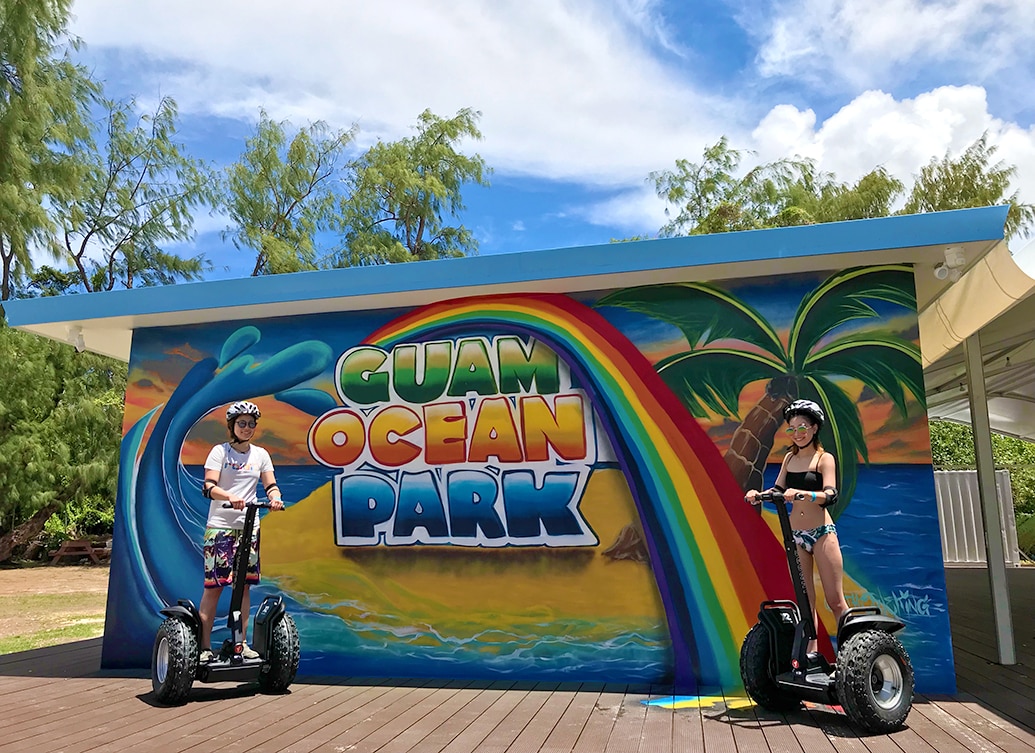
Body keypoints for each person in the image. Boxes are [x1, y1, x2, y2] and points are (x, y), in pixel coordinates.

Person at [744, 399, 849, 653]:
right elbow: (778, 490)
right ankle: (811, 655)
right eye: (792, 428)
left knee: (835, 600)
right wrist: (758, 495)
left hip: (822, 533)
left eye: (802, 427)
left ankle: (851, 652)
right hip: (796, 537)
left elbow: (831, 494)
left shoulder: (823, 459)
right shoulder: (789, 459)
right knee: (805, 602)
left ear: (814, 428)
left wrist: (804, 494)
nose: (797, 433)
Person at [198, 400, 284, 663]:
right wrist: (229, 496)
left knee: (243, 587)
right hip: (221, 527)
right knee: (215, 587)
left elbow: (271, 485)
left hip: (249, 528)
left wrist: (276, 498)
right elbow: (208, 487)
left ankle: (241, 643)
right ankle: (204, 647)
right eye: (242, 423)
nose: (247, 428)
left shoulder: (260, 455)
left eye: (251, 424)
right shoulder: (220, 452)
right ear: (232, 426)